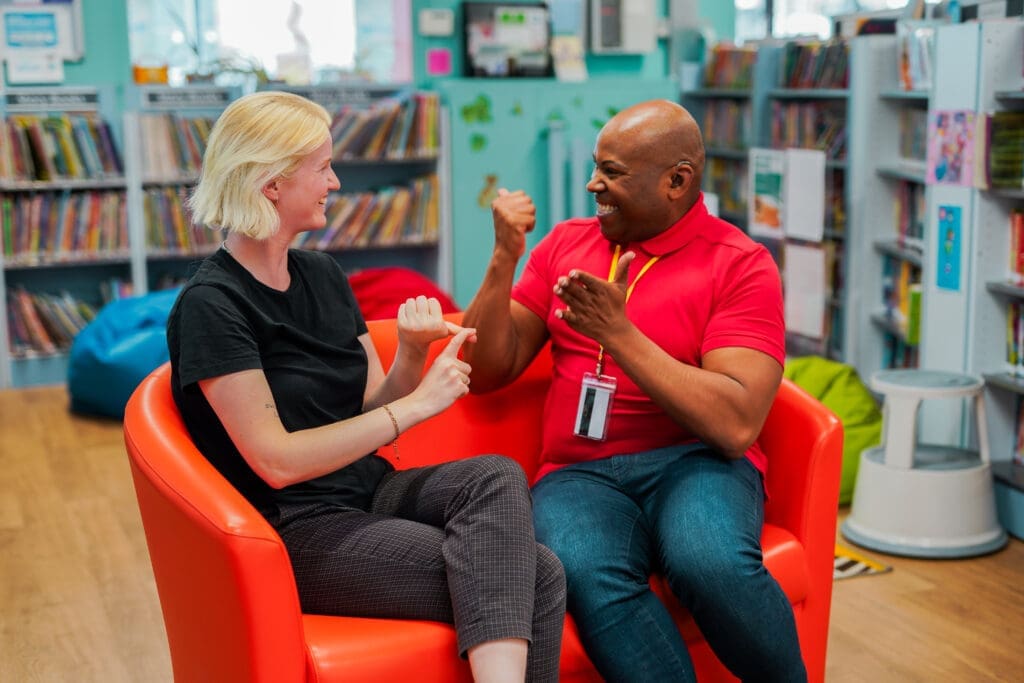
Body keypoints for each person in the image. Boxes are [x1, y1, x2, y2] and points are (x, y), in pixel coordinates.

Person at [166, 91, 565, 683]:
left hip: (367, 491)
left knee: (496, 475)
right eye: (322, 167)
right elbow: (275, 461)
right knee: (537, 574)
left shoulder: (323, 275)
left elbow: (370, 405)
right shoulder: (211, 305)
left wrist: (410, 353)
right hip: (296, 528)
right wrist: (419, 407)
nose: (336, 181)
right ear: (272, 184)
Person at [461, 99, 807, 682]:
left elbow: (735, 425)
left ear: (677, 181)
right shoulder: (566, 245)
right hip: (577, 475)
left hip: (697, 461)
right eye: (598, 166)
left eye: (614, 172)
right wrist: (503, 258)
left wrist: (619, 335)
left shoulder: (741, 264)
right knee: (588, 572)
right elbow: (488, 371)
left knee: (709, 561)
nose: (594, 183)